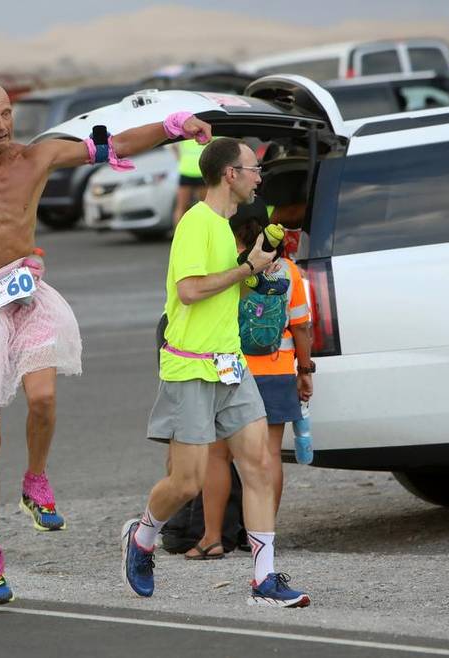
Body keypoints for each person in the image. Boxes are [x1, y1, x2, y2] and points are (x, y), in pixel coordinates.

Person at [0, 48, 213, 607]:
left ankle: (35, 480)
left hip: (26, 301)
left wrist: (176, 125)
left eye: (6, 114)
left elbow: (116, 143)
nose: (1, 125)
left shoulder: (38, 157)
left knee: (45, 398)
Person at [121, 136, 310, 607]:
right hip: (190, 367)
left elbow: (227, 291)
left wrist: (259, 277)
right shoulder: (196, 223)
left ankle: (264, 581)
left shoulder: (227, 228)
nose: (259, 177)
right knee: (187, 481)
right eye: (253, 169)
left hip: (231, 365)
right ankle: (142, 537)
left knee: (259, 466)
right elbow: (189, 291)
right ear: (231, 174)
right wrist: (245, 269)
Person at [182, 209, 314, 561]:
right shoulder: (286, 270)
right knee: (268, 456)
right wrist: (305, 369)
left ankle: (212, 538)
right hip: (276, 369)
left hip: (228, 368)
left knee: (218, 455)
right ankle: (262, 537)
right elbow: (301, 326)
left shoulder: (227, 270)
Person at [171, 138, 208, 227]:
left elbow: (173, 146)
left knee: (181, 207)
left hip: (186, 170)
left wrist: (180, 159)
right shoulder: (207, 132)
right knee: (206, 207)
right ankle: (205, 231)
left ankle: (178, 233)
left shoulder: (185, 133)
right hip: (201, 171)